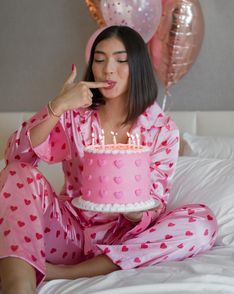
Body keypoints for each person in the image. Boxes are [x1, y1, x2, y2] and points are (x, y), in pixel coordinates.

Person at [0, 25, 217, 294]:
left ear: (138, 66)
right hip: (68, 234)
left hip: (125, 239)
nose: (108, 69)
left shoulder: (161, 129)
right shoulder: (74, 117)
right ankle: (18, 287)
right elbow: (15, 156)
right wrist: (58, 106)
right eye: (100, 60)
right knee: (18, 173)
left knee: (201, 222)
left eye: (120, 60)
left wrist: (135, 211)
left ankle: (68, 273)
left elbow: (156, 202)